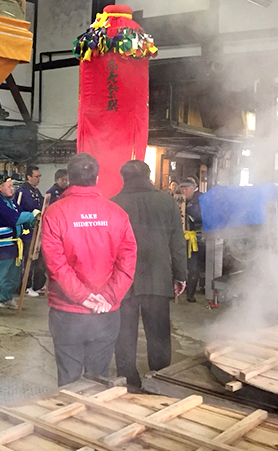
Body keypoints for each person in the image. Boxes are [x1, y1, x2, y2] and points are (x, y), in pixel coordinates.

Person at [42, 153, 137, 386]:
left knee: (69, 378)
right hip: (106, 312)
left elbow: (56, 264)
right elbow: (128, 260)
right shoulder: (117, 213)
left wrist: (83, 297)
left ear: (69, 178)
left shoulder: (55, 213)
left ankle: (68, 410)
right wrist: (109, 296)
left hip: (67, 312)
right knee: (99, 377)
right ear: (96, 178)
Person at [111, 160, 187, 389]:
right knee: (159, 332)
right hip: (158, 277)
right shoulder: (167, 201)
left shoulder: (113, 204)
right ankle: (160, 377)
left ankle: (128, 379)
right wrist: (180, 275)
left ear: (123, 177)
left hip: (123, 280)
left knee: (124, 332)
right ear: (149, 175)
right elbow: (177, 242)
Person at [0, 174, 37, 316]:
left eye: (12, 186)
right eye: (9, 186)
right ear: (0, 187)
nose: (12, 188)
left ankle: (5, 299)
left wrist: (30, 222)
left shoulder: (11, 202)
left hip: (14, 245)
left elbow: (21, 217)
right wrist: (32, 215)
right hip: (3, 245)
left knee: (13, 275)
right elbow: (13, 218)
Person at [14, 165, 45, 297]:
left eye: (39, 176)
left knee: (38, 259)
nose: (38, 179)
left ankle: (37, 284)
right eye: (36, 176)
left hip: (37, 230)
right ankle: (25, 286)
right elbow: (20, 210)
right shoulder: (22, 192)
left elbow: (42, 204)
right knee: (28, 259)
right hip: (27, 231)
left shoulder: (36, 191)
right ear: (28, 177)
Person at [180, 177, 205, 302]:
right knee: (188, 265)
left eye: (186, 189)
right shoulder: (179, 199)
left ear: (193, 188)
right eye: (182, 189)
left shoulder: (200, 198)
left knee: (196, 266)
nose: (184, 191)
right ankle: (185, 291)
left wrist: (187, 209)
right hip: (184, 236)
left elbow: (199, 216)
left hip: (198, 237)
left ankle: (194, 292)